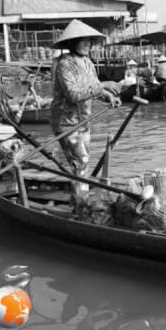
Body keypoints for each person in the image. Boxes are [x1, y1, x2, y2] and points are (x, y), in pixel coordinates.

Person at [49, 19, 121, 201]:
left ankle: (80, 199)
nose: (87, 44)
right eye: (82, 41)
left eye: (89, 41)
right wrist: (103, 85)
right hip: (66, 123)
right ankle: (82, 204)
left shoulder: (88, 62)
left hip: (83, 122)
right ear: (73, 43)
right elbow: (73, 94)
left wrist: (107, 96)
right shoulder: (64, 65)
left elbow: (94, 87)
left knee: (82, 164)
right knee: (81, 162)